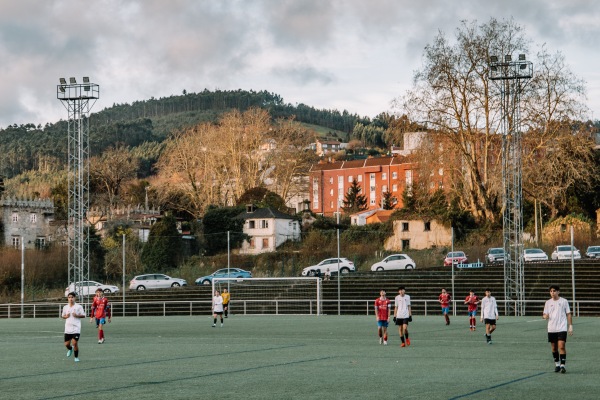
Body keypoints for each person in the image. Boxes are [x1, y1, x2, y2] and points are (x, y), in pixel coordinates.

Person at [543, 285, 574, 373]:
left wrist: (570, 325)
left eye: (554, 291)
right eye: (551, 291)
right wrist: (545, 316)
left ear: (558, 292)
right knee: (554, 348)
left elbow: (568, 314)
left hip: (562, 327)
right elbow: (544, 314)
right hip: (552, 328)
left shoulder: (564, 301)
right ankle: (557, 364)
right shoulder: (548, 302)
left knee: (561, 346)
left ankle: (563, 366)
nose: (552, 293)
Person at [62, 292, 86, 362]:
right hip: (67, 328)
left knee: (74, 343)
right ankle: (70, 349)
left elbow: (84, 315)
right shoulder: (65, 307)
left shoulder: (79, 307)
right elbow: (63, 316)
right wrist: (66, 316)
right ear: (68, 298)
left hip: (76, 328)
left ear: (75, 298)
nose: (70, 299)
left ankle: (76, 357)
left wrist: (77, 315)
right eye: (69, 297)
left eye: (72, 297)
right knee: (66, 344)